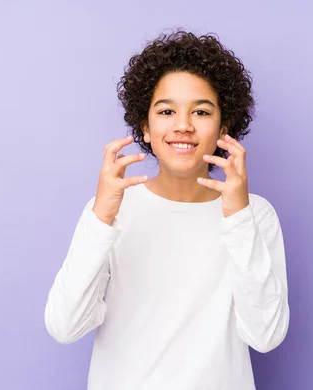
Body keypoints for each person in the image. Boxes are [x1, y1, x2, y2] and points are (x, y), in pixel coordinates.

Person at [44, 29, 290, 390]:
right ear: (145, 125)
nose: (183, 125)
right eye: (166, 110)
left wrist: (238, 218)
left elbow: (265, 335)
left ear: (224, 126)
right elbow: (65, 327)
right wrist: (101, 218)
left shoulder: (255, 215)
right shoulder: (111, 211)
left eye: (201, 111)